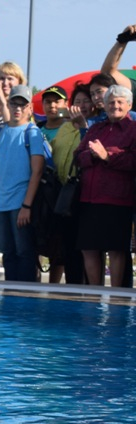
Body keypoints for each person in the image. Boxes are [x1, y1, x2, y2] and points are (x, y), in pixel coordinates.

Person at [0, 86, 46, 283]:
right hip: (0, 202)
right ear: (8, 105)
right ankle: (10, 297)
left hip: (20, 202)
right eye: (14, 103)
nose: (18, 108)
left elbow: (37, 170)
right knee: (7, 252)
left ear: (29, 108)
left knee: (24, 251)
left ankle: (24, 297)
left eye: (22, 104)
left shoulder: (32, 133)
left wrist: (26, 205)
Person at [74, 85, 136, 288]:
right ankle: (94, 294)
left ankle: (117, 294)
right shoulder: (95, 129)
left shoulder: (133, 130)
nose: (115, 105)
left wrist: (107, 156)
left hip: (117, 200)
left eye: (120, 102)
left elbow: (133, 161)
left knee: (116, 249)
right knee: (88, 248)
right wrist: (92, 156)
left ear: (129, 105)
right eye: (111, 102)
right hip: (89, 198)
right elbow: (78, 156)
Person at [38, 86, 84, 284]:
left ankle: (54, 286)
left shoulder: (69, 127)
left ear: (66, 104)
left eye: (57, 101)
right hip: (40, 191)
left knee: (58, 244)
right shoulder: (37, 128)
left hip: (61, 191)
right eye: (48, 102)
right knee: (39, 239)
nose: (52, 106)